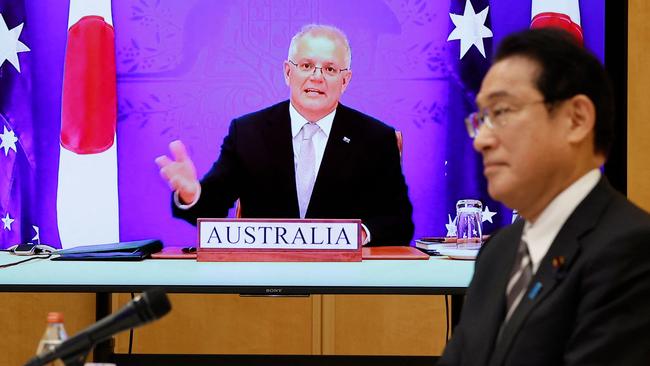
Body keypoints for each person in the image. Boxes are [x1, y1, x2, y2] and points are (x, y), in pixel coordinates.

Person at [439, 28, 650, 365]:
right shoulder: (498, 252)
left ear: (576, 119)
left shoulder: (632, 251)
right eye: (482, 118)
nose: (481, 141)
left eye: (502, 112)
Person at [155, 24, 414, 246]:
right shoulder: (248, 132)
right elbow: (212, 206)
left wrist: (356, 234)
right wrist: (191, 194)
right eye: (306, 65)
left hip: (344, 285)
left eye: (330, 69)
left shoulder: (376, 138)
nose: (317, 77)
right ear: (288, 73)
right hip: (267, 281)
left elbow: (399, 222)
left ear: (345, 81)